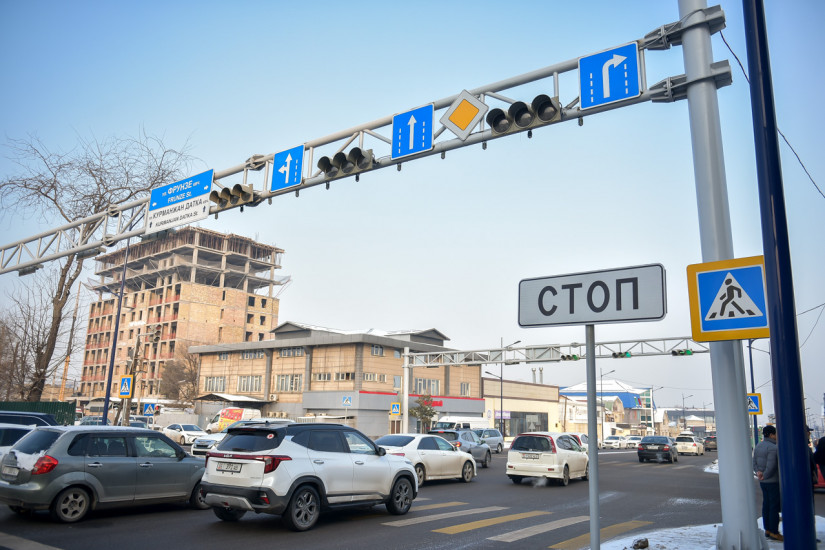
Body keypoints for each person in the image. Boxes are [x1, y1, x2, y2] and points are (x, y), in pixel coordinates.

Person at [753, 425, 782, 541]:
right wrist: (765, 475)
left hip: (763, 481)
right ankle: (774, 532)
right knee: (774, 506)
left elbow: (754, 462)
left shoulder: (758, 446)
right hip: (773, 481)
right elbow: (772, 465)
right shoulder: (773, 447)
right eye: (775, 434)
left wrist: (759, 473)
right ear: (771, 435)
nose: (776, 436)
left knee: (766, 504)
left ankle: (767, 529)